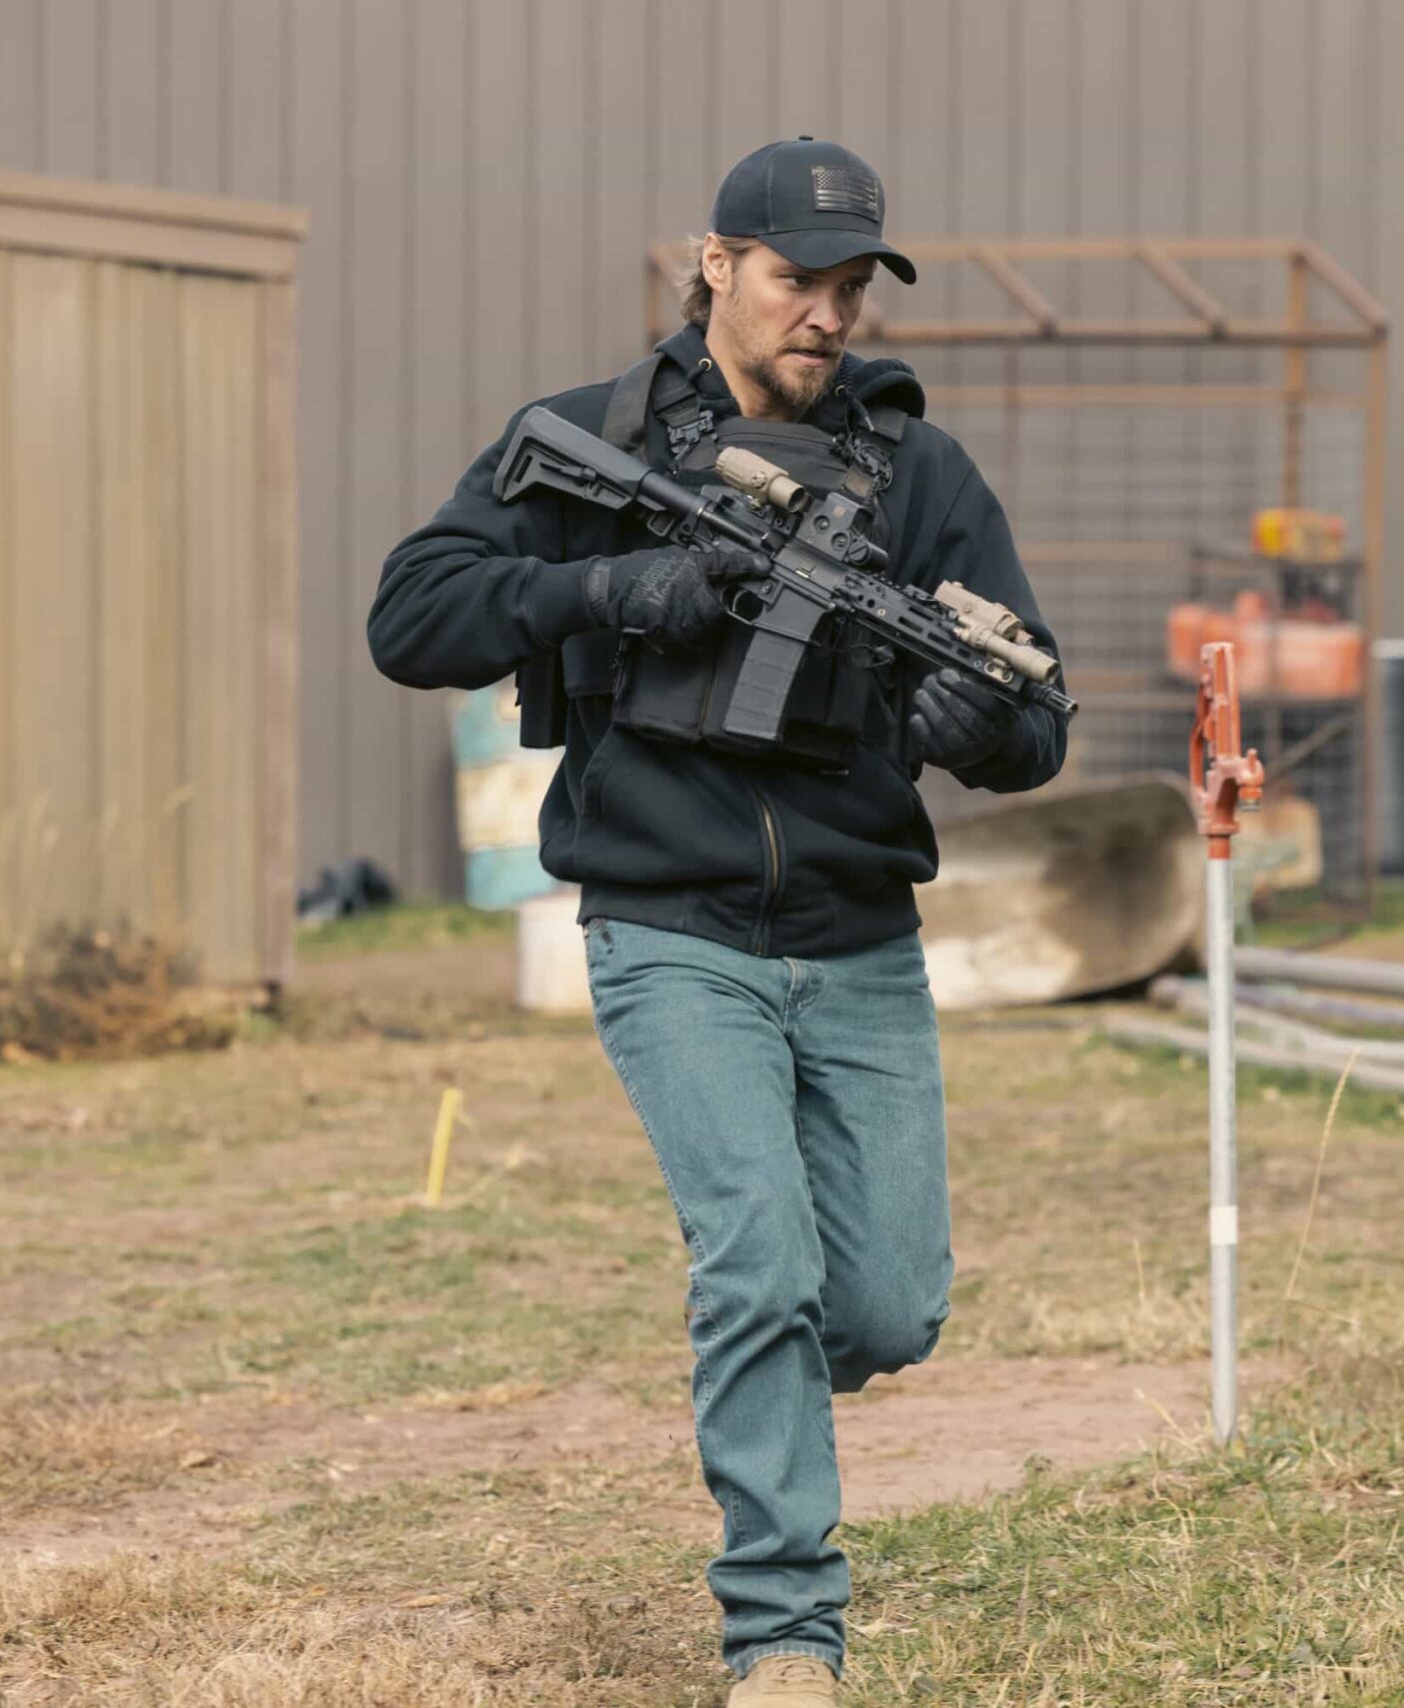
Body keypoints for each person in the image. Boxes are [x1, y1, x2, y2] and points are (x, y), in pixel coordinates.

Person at [368, 137, 1067, 1706]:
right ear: (715, 263)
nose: (821, 310)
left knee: (884, 1305)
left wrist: (972, 716)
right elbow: (410, 615)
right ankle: (783, 1635)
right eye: (790, 275)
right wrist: (613, 594)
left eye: (846, 284)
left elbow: (1040, 726)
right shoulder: (593, 439)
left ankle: (762, 1368)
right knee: (758, 1262)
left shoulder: (922, 478)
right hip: (668, 925)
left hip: (859, 936)